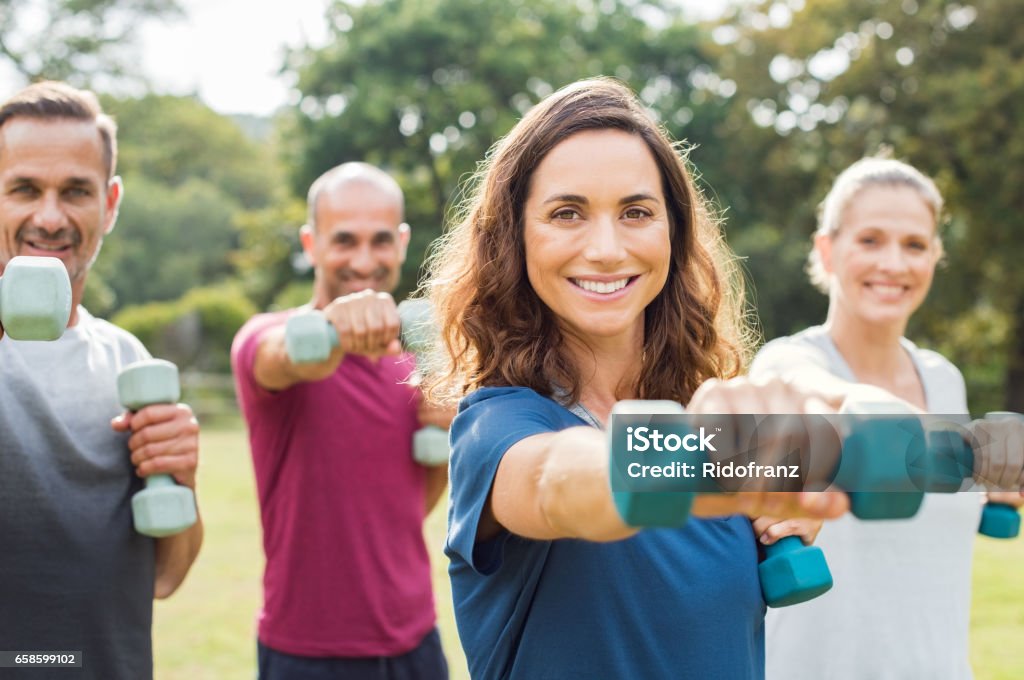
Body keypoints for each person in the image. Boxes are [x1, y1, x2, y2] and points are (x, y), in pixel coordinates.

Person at [421, 77, 858, 680]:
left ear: (672, 234)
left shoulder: (716, 435)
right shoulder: (496, 428)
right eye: (567, 213)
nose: (605, 248)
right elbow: (560, 481)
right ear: (514, 238)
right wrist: (701, 459)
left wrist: (789, 502)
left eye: (636, 212)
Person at [750, 156, 1024, 679]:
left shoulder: (944, 380)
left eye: (915, 245)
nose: (894, 264)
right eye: (870, 240)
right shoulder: (787, 367)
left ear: (934, 258)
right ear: (827, 251)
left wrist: (988, 481)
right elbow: (822, 399)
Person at [0, 82, 203, 679]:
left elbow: (165, 577)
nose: (50, 217)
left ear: (109, 203)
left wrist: (183, 480)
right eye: (24, 189)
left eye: (76, 191)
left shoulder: (128, 359)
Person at [231, 162, 450, 679]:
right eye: (344, 240)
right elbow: (287, 356)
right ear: (310, 244)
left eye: (379, 241)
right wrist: (333, 326)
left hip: (416, 640)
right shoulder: (264, 338)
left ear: (401, 243)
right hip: (306, 653)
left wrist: (441, 431)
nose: (364, 260)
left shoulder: (417, 365)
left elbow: (407, 507)